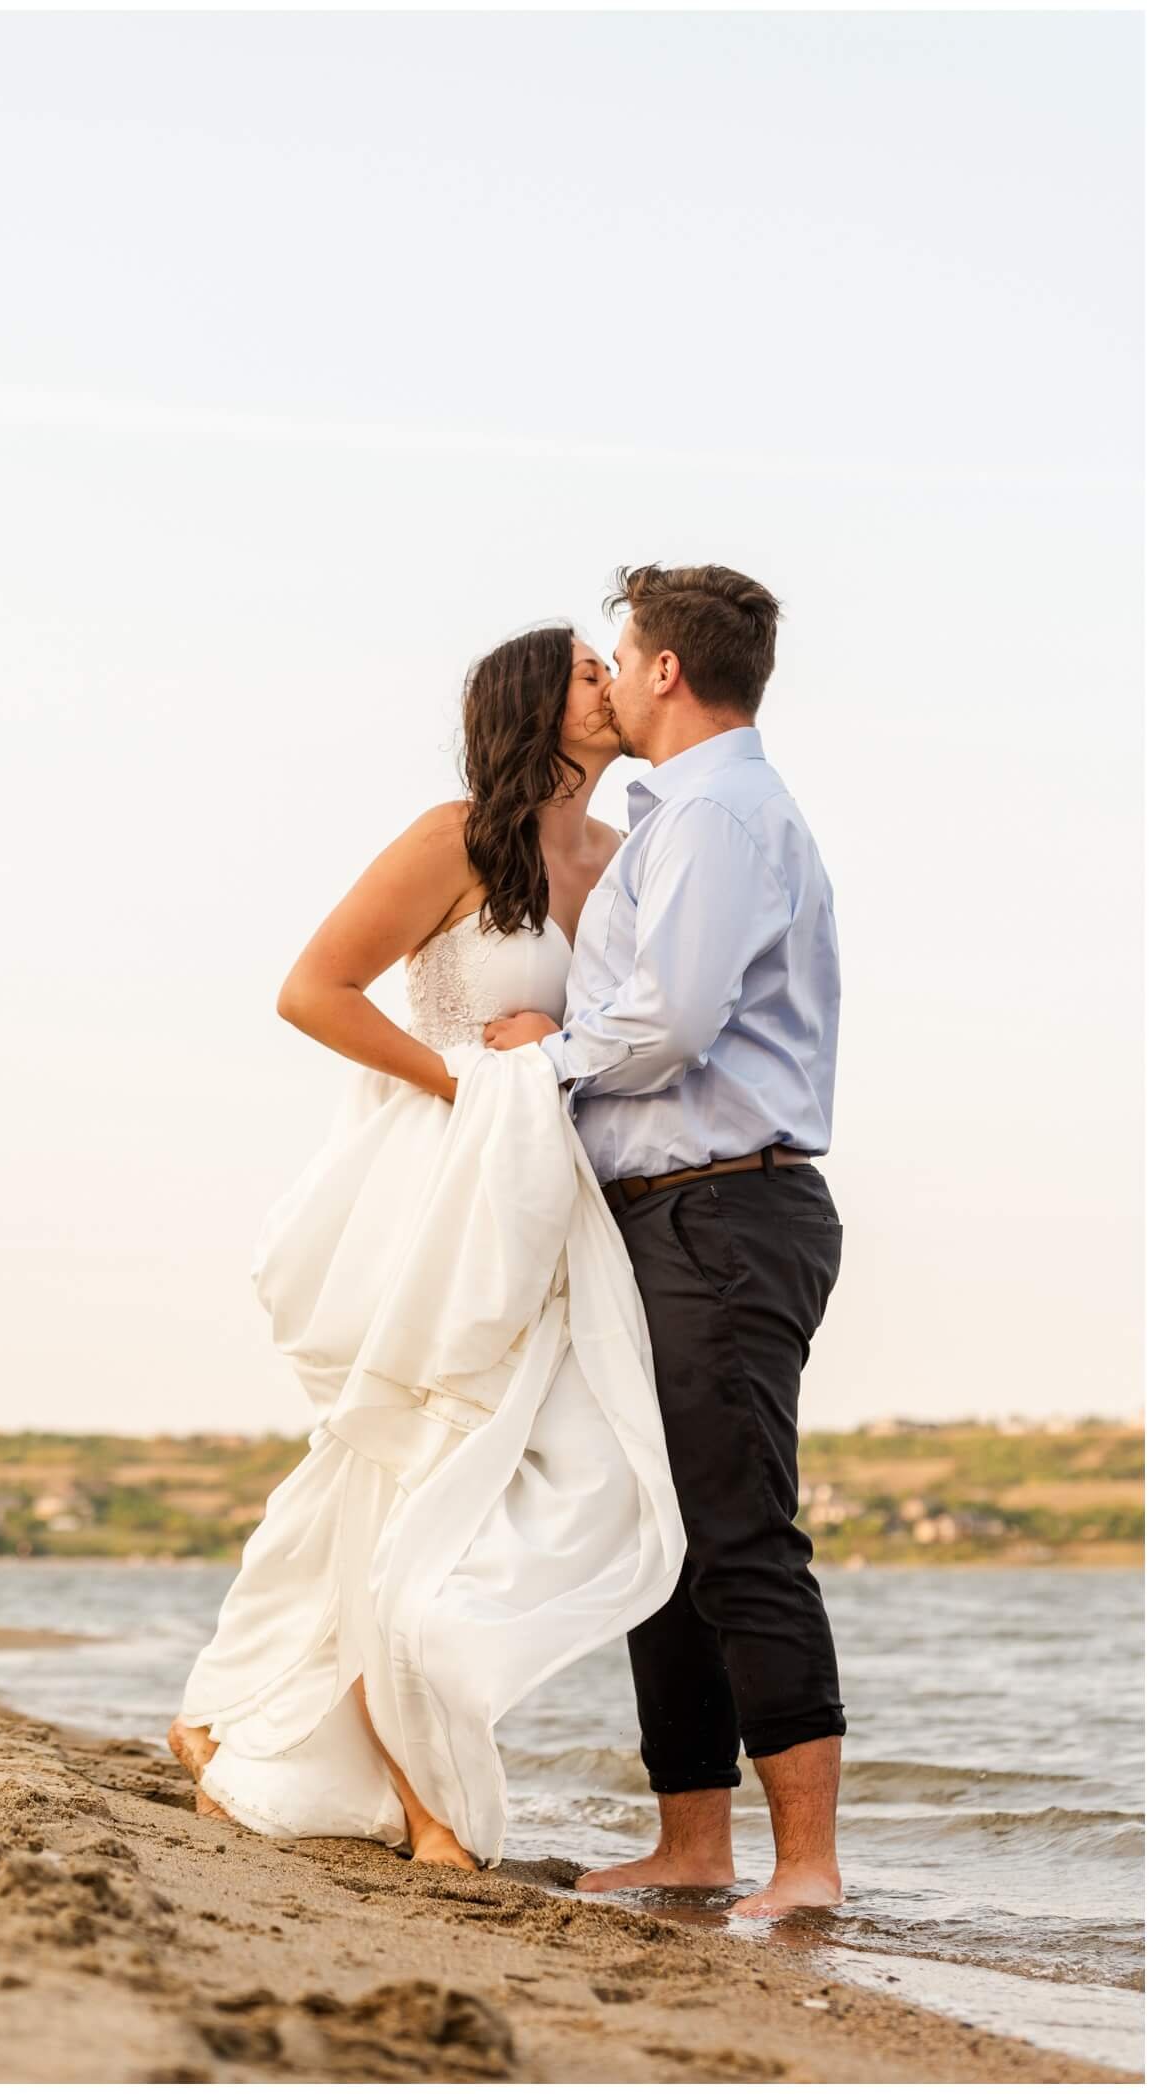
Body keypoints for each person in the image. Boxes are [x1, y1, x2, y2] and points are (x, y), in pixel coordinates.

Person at [167, 621, 686, 1871]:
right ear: (531, 701)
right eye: (582, 670)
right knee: (416, 1455)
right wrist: (462, 1086)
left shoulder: (623, 862)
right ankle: (418, 1797)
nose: (607, 683)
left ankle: (275, 1708)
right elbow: (312, 990)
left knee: (543, 1481)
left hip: (548, 1195)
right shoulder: (455, 834)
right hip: (435, 1177)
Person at [486, 563, 846, 1916]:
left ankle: (804, 1861)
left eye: (620, 654)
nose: (612, 675)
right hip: (670, 1213)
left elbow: (673, 1019)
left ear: (664, 672)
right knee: (665, 1527)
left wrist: (548, 1056)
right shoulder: (687, 812)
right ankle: (694, 1842)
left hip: (725, 1207)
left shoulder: (717, 814)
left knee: (741, 1528)